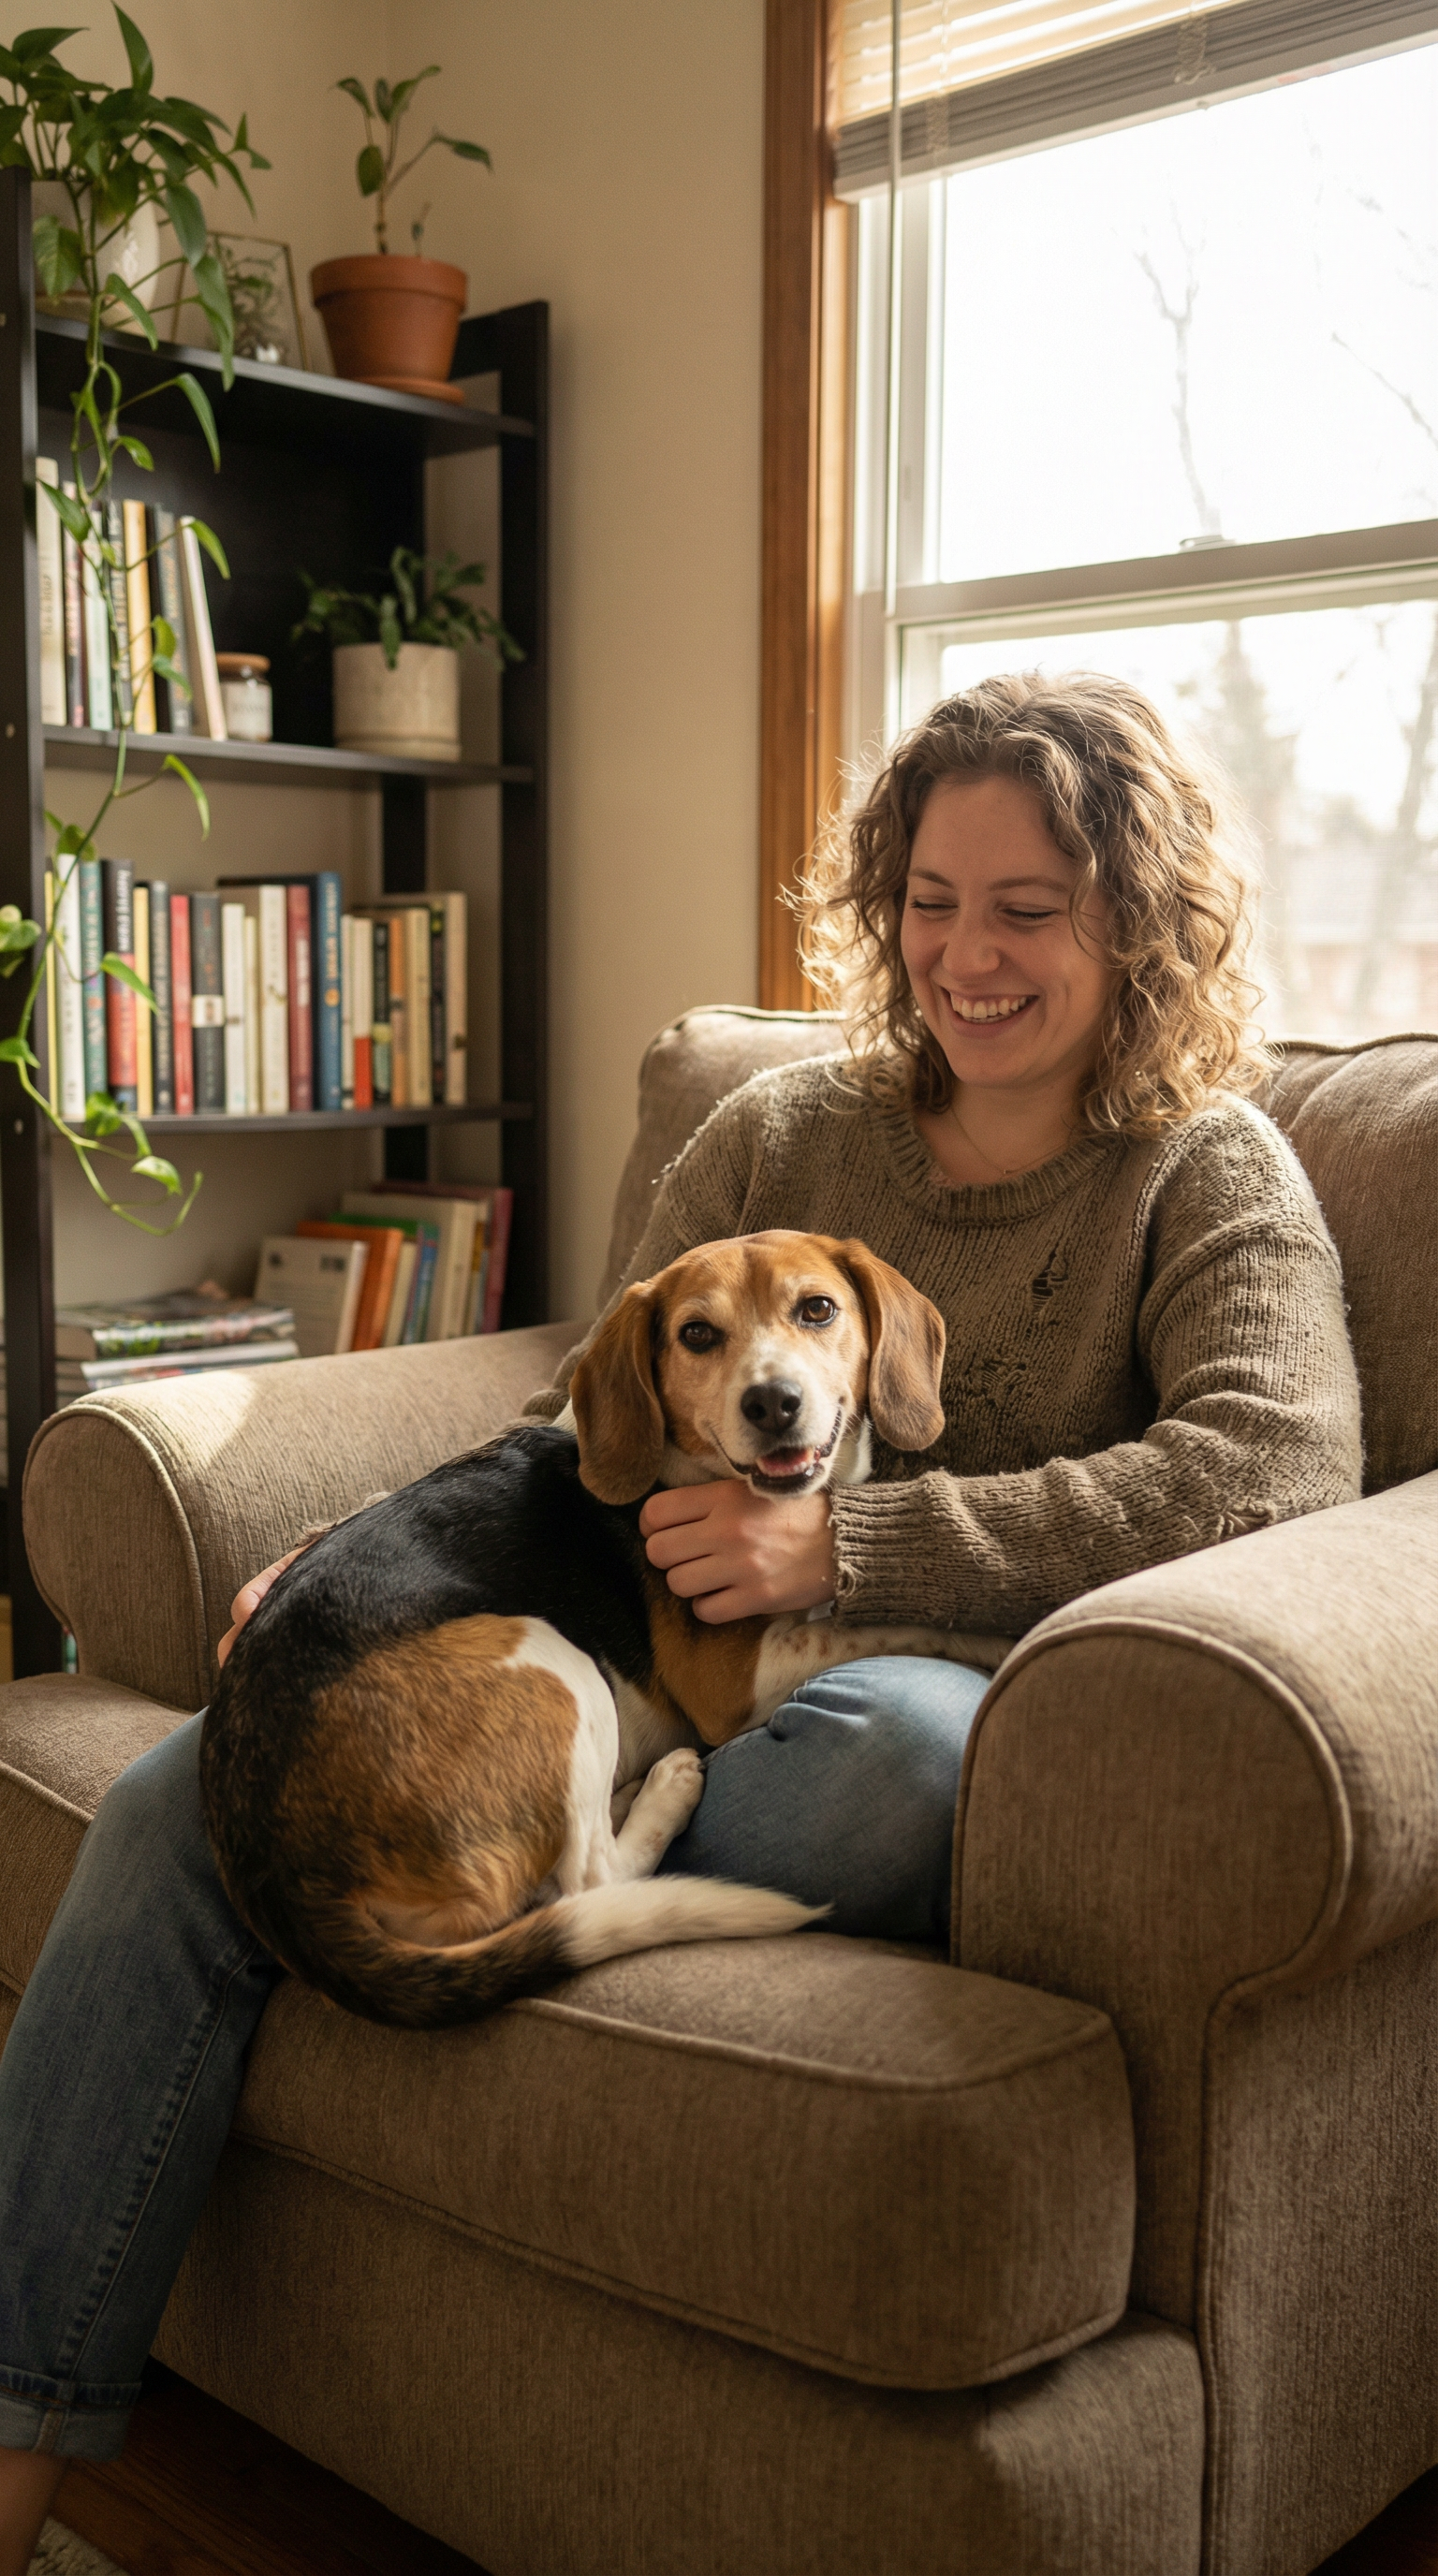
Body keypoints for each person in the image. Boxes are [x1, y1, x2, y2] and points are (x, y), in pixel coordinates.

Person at [0, 672, 1361, 2567]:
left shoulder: (1212, 1170)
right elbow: (585, 1413)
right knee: (185, 1789)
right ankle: (19, 2448)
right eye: (933, 898)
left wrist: (855, 1562)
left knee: (900, 1757)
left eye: (1030, 906)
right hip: (631, 1657)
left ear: (1138, 918)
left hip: (934, 1705)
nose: (969, 952)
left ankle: (512, 1851)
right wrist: (352, 1561)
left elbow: (1282, 1472)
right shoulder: (786, 1126)